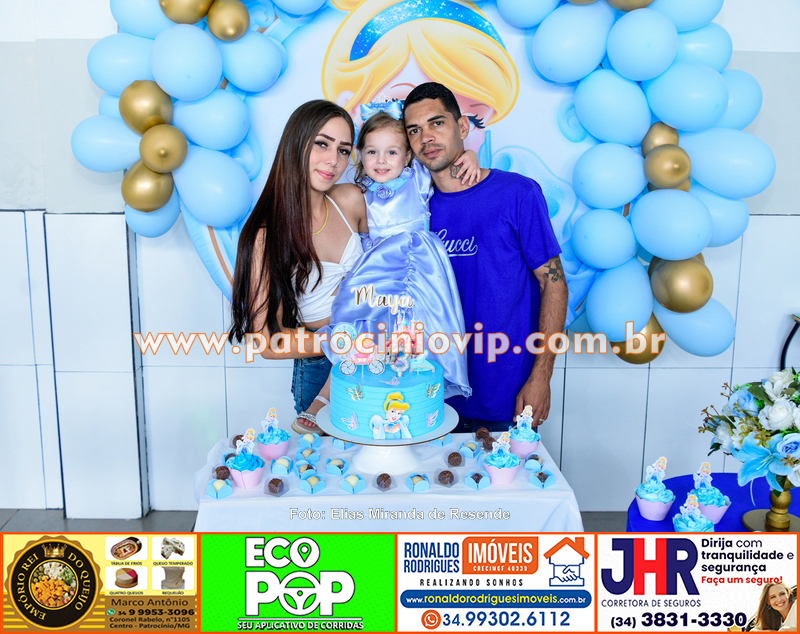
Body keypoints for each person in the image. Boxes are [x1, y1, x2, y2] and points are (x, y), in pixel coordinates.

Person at [403, 82, 569, 433]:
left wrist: (542, 377)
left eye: (437, 123)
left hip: (508, 398)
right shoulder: (410, 210)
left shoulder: (518, 193)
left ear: (463, 127)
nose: (426, 137)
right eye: (414, 130)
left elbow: (553, 283)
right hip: (429, 400)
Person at [228, 100, 367, 433]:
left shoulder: (350, 200)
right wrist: (344, 343)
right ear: (296, 143)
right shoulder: (266, 235)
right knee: (333, 464)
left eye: (343, 150)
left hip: (380, 354)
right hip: (321, 367)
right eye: (322, 144)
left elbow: (400, 238)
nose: (333, 161)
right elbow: (265, 342)